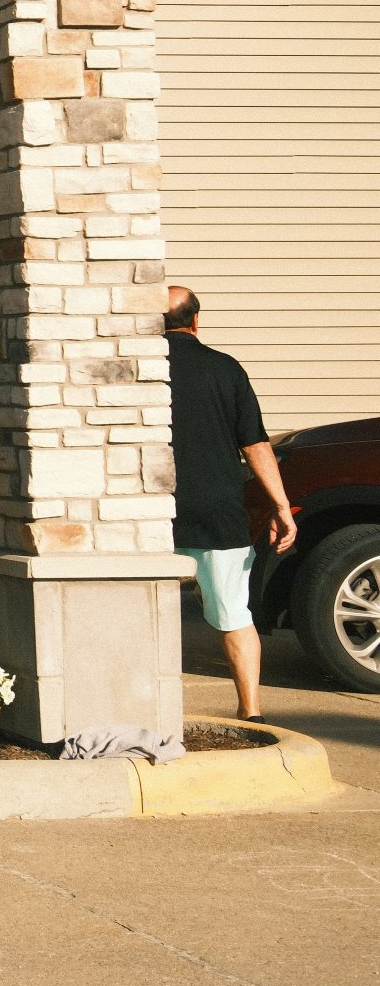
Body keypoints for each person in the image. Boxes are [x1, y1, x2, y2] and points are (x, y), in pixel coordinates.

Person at [164, 285, 297, 721]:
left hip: (149, 515)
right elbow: (255, 443)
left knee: (144, 615)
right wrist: (280, 506)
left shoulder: (136, 369)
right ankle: (251, 712)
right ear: (196, 320)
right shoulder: (225, 369)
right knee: (233, 614)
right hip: (218, 511)